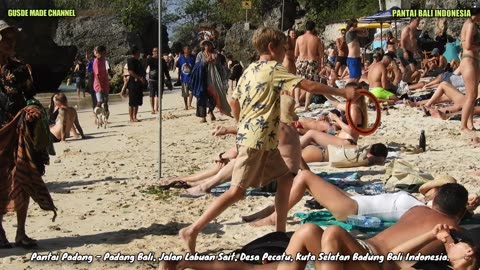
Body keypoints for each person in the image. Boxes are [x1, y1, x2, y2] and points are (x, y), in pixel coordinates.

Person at [178, 26, 357, 254]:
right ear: (272, 48)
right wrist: (343, 93)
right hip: (257, 140)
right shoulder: (274, 69)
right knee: (237, 191)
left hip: (263, 139)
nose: (285, 52)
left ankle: (280, 232)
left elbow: (234, 103)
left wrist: (243, 124)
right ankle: (192, 230)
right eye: (283, 48)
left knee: (286, 178)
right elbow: (307, 85)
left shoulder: (249, 70)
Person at [276, 183, 469, 270]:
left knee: (328, 231)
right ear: (461, 213)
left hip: (374, 262)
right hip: (363, 257)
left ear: (434, 199)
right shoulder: (453, 230)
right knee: (309, 230)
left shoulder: (416, 209)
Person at [0, 20, 56, 249]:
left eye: (13, 38)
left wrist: (34, 110)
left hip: (20, 132)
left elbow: (31, 97)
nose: (11, 42)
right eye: (5, 37)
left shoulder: (21, 69)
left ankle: (21, 233)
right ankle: (0, 233)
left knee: (22, 179)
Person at [192, 40, 231, 123]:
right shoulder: (200, 55)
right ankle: (203, 117)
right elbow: (196, 66)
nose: (207, 47)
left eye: (208, 45)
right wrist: (205, 61)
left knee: (214, 96)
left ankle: (210, 111)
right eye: (205, 45)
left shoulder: (215, 54)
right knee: (201, 97)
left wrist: (215, 62)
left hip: (213, 79)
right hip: (202, 79)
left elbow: (220, 67)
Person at [458, 4, 480, 132]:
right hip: (469, 60)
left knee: (473, 95)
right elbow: (468, 45)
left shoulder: (470, 23)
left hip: (473, 60)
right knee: (471, 95)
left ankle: (470, 124)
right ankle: (463, 125)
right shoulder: (471, 25)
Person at [294, 20, 324, 110]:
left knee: (298, 82)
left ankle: (297, 102)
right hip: (312, 62)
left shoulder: (299, 38)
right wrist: (321, 65)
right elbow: (321, 55)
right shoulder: (317, 39)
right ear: (314, 28)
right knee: (310, 84)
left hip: (301, 62)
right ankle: (306, 106)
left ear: (305, 28)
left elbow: (296, 54)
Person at [126, 46, 146, 122]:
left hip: (139, 83)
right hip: (132, 83)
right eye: (138, 52)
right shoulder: (130, 60)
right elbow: (130, 72)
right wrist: (139, 78)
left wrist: (143, 79)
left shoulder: (139, 61)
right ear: (135, 53)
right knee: (132, 101)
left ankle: (135, 116)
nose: (139, 54)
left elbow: (142, 71)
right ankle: (131, 118)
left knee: (137, 101)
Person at [345, 18, 368, 83]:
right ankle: (348, 90)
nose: (357, 24)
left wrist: (365, 30)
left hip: (357, 58)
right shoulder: (349, 32)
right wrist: (362, 28)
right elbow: (352, 29)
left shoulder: (355, 33)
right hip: (352, 58)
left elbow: (365, 34)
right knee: (353, 78)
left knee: (358, 77)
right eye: (356, 23)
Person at [399, 17, 421, 84]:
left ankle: (404, 83)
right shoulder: (407, 29)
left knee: (408, 70)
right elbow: (402, 40)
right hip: (404, 51)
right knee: (412, 68)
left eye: (419, 21)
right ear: (413, 20)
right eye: (417, 21)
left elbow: (413, 42)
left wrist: (417, 51)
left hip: (410, 52)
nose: (418, 22)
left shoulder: (414, 30)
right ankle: (404, 83)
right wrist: (404, 51)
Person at [176, 46, 195, 110]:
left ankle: (190, 104)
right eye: (187, 49)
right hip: (184, 78)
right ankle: (186, 105)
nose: (189, 50)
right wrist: (178, 77)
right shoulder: (181, 58)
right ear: (184, 50)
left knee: (191, 92)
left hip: (191, 78)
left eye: (189, 49)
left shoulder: (193, 57)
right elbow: (179, 68)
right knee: (185, 93)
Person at [92, 45, 110, 115]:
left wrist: (107, 83)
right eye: (104, 52)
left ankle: (105, 116)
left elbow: (105, 72)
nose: (105, 53)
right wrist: (100, 86)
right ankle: (96, 116)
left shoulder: (104, 60)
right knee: (99, 102)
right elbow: (97, 75)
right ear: (100, 52)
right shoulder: (96, 62)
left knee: (105, 102)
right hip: (99, 85)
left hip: (105, 84)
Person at [146, 47, 160, 114]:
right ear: (152, 52)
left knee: (159, 95)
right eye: (154, 51)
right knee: (152, 95)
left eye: (157, 51)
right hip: (152, 79)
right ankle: (152, 109)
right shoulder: (150, 59)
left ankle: (156, 108)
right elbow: (145, 66)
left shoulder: (160, 60)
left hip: (159, 79)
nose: (156, 52)